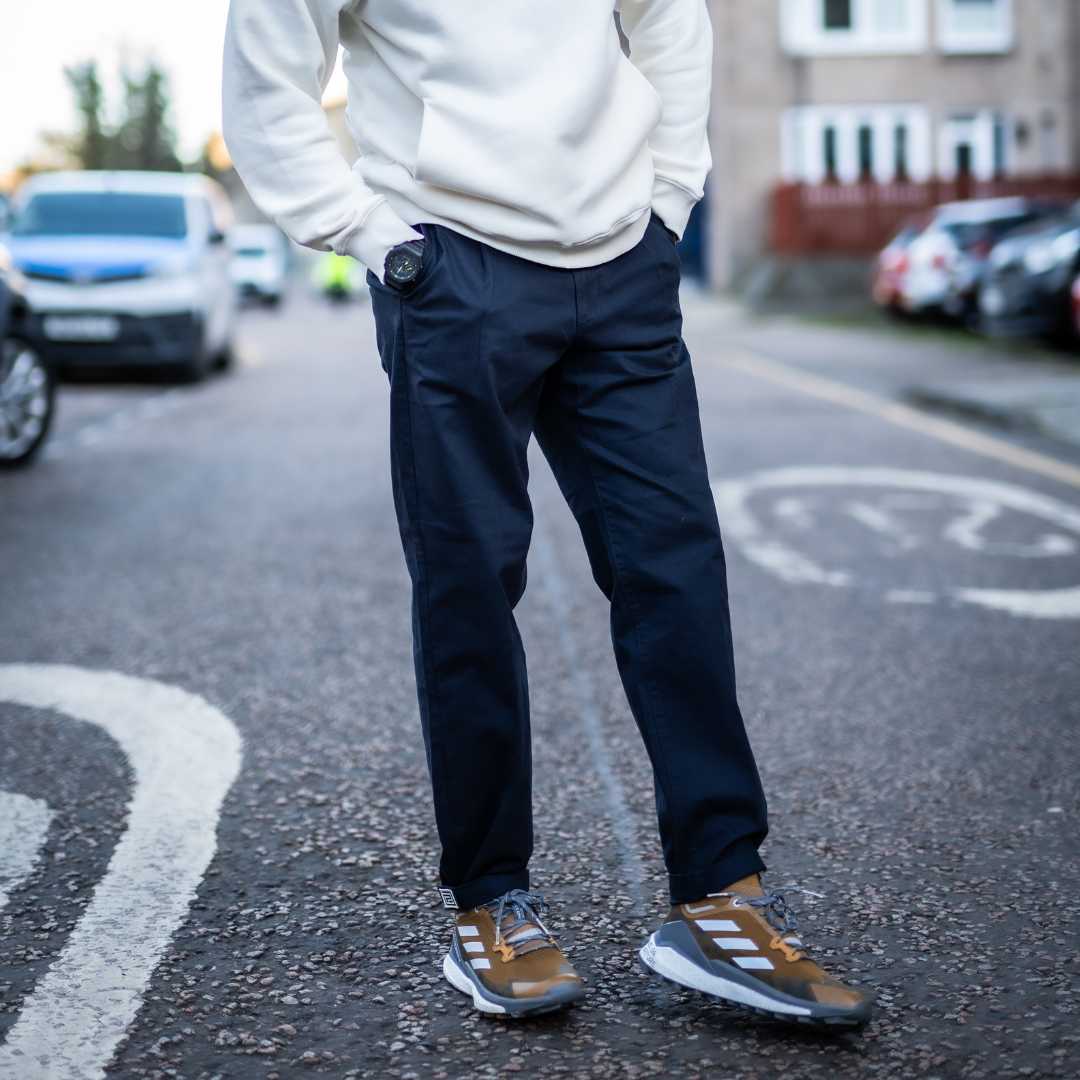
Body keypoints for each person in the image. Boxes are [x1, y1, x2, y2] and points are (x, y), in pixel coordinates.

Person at [222, 0, 873, 1026]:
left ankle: (720, 894)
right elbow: (270, 75)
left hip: (624, 266)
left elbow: (668, 20)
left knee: (676, 569)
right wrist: (376, 239)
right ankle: (491, 901)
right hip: (454, 266)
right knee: (471, 585)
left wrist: (667, 202)